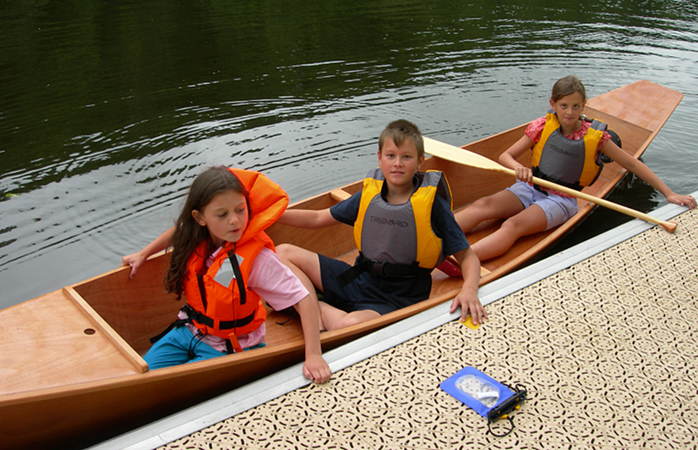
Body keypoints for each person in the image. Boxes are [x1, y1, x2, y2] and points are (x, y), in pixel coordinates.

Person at [122, 166, 331, 383]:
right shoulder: (198, 235)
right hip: (189, 330)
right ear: (200, 218)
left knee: (165, 384)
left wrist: (314, 355)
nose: (235, 221)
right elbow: (181, 228)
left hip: (231, 344)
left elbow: (303, 298)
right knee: (140, 375)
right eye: (222, 214)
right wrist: (143, 253)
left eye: (240, 210)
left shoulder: (257, 259)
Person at [454, 75, 697, 262]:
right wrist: (519, 168)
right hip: (530, 187)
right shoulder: (540, 126)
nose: (569, 113)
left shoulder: (597, 138)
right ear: (553, 104)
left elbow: (631, 163)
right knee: (482, 206)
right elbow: (505, 156)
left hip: (563, 201)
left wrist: (669, 194)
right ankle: (431, 234)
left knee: (513, 225)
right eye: (564, 106)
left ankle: (461, 260)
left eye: (576, 107)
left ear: (584, 106)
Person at [276, 120, 487, 330]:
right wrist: (274, 214)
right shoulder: (370, 195)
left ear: (420, 161)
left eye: (406, 157)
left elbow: (468, 257)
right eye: (391, 156)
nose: (397, 163)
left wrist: (469, 290)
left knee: (347, 325)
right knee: (283, 252)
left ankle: (312, 307)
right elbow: (318, 218)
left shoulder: (433, 206)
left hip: (396, 298)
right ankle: (313, 306)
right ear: (380, 158)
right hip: (357, 279)